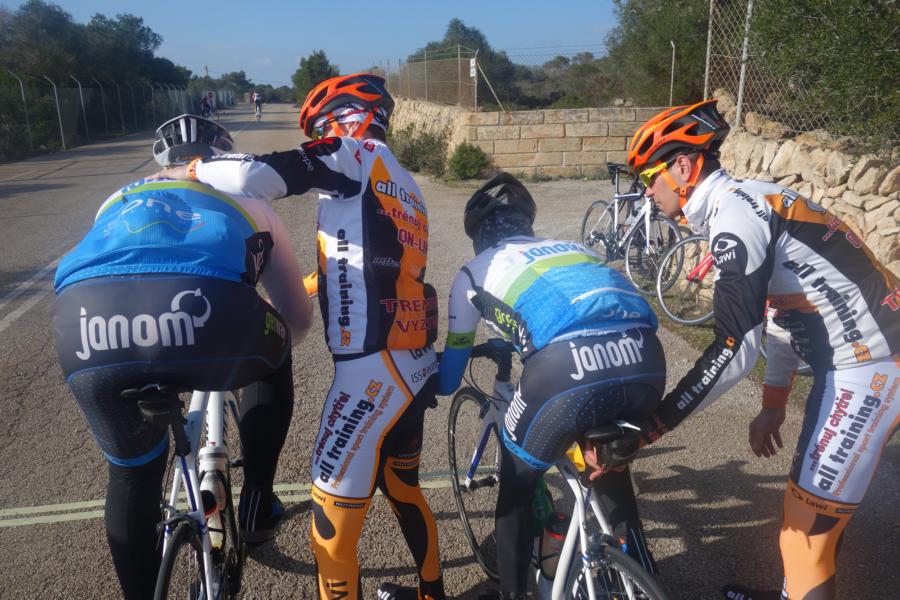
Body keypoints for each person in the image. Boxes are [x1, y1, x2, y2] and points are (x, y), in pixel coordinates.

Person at [150, 73, 446, 600]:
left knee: (329, 530)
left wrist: (187, 170)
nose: (320, 140)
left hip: (370, 372)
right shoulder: (403, 180)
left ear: (348, 119)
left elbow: (255, 176)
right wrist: (297, 291)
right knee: (403, 488)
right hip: (415, 362)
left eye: (322, 129)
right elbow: (359, 267)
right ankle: (432, 593)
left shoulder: (355, 154)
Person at [628, 99, 900, 600]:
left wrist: (653, 427)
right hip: (853, 363)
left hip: (872, 365)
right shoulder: (750, 198)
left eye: (650, 176)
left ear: (683, 168)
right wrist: (774, 404)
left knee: (805, 536)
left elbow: (735, 348)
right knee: (811, 508)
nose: (647, 190)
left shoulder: (735, 216)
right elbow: (782, 313)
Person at [53, 114, 314, 599]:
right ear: (222, 156)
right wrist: (274, 342)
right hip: (207, 313)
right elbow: (297, 318)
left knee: (132, 474)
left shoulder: (116, 198)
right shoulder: (248, 198)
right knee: (276, 352)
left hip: (85, 322)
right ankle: (257, 500)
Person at [437, 172, 666, 599]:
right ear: (527, 225)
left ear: (479, 236)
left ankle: (512, 595)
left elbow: (450, 377)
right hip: (647, 360)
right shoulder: (573, 248)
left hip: (566, 369)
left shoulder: (473, 273)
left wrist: (430, 378)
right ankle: (640, 571)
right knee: (609, 466)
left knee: (518, 482)